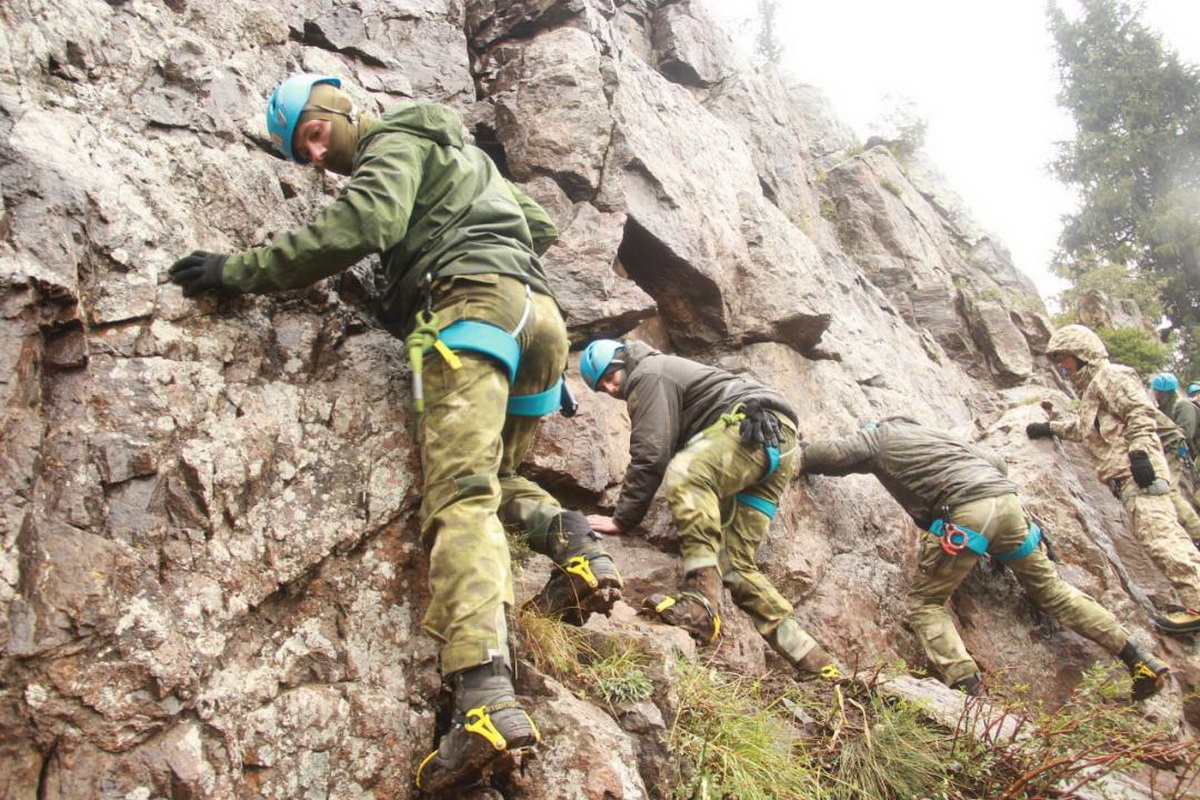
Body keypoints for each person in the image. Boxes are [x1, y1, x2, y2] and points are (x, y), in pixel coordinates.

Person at [166, 73, 623, 793]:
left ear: (340, 108)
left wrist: (241, 270)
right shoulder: (462, 153)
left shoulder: (392, 136)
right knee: (498, 478)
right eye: (302, 153)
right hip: (540, 319)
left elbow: (366, 225)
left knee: (460, 495)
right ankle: (574, 543)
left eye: (314, 136)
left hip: (471, 305)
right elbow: (538, 222)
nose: (316, 158)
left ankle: (482, 699)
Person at [803, 417, 1169, 701]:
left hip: (969, 515)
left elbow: (836, 454)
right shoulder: (944, 439)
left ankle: (968, 695)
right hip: (1010, 508)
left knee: (926, 603)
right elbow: (998, 464)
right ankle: (1140, 660)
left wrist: (796, 455)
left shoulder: (880, 434)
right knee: (1054, 592)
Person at [579, 339, 841, 679]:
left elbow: (651, 454)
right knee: (733, 563)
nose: (612, 387)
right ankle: (817, 663)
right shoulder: (664, 372)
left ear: (621, 361)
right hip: (776, 445)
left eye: (611, 375)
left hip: (750, 428)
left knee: (687, 473)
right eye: (602, 387)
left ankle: (700, 602)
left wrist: (622, 518)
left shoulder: (649, 371)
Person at [1027, 324, 1200, 635]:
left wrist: (1140, 455)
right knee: (1161, 536)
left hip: (1137, 471)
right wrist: (1049, 428)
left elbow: (1140, 413)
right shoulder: (1093, 387)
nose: (1063, 368)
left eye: (1065, 359)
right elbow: (1083, 429)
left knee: (1161, 538)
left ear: (1082, 355)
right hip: (1127, 476)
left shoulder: (1112, 376)